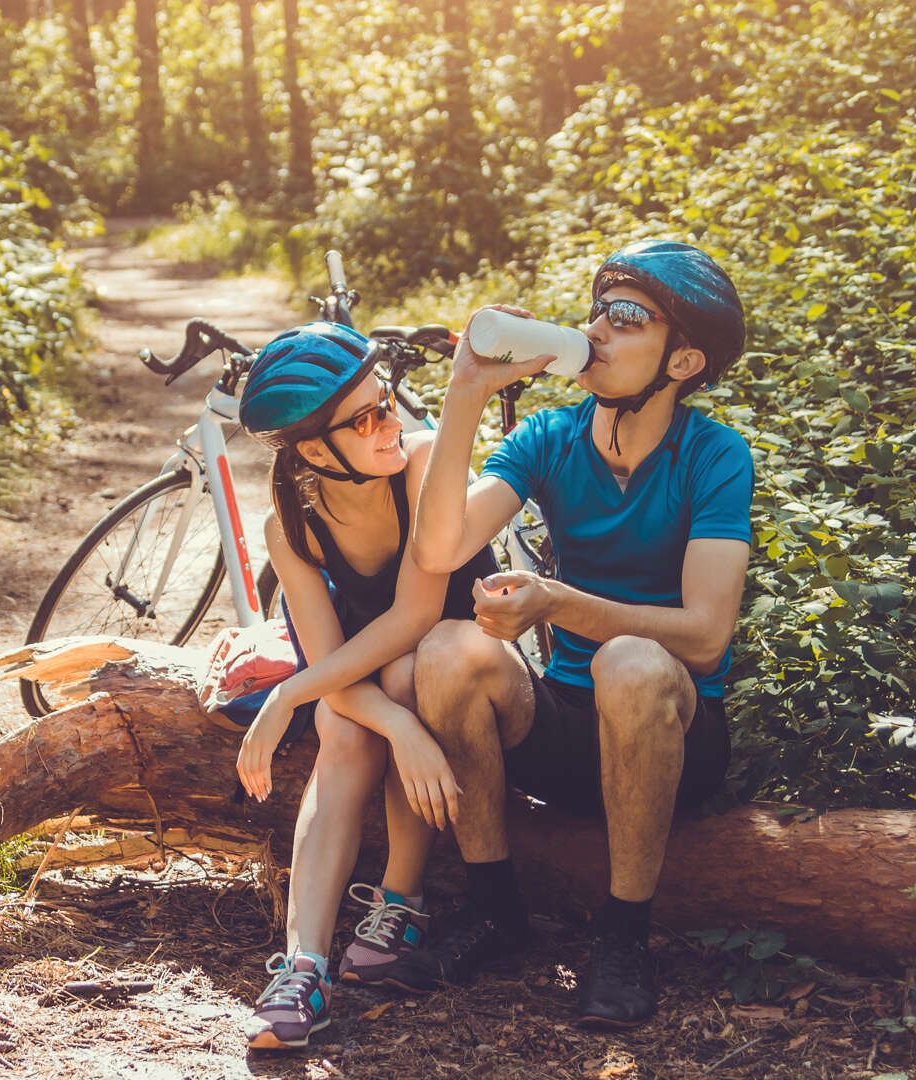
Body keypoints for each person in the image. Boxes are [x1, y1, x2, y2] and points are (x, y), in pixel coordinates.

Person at [408, 239, 753, 1027]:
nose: (597, 328)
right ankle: (494, 910)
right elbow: (439, 549)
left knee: (631, 663)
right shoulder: (548, 437)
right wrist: (465, 390)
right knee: (447, 649)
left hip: (676, 730)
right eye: (597, 309)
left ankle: (624, 937)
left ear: (682, 361)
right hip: (567, 730)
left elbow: (703, 638)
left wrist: (555, 602)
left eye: (627, 317)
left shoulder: (715, 455)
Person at [232, 321, 498, 1050]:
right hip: (371, 684)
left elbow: (416, 614)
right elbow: (335, 675)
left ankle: (399, 899)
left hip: (459, 669)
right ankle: (303, 967)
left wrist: (291, 694)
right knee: (344, 724)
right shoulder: (291, 519)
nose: (394, 423)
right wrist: (389, 726)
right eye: (368, 417)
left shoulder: (418, 466)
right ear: (316, 450)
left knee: (403, 675)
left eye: (388, 401)